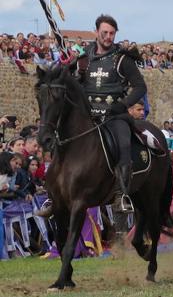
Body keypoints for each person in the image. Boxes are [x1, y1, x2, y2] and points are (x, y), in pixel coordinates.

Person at [36, 14, 146, 217]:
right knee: (61, 142)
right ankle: (54, 194)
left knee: (123, 143)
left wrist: (122, 105)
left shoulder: (122, 59)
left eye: (112, 33)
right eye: (104, 32)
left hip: (114, 116)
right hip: (88, 116)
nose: (108, 37)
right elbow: (65, 78)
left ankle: (122, 194)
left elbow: (140, 87)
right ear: (96, 32)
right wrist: (65, 65)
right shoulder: (83, 57)